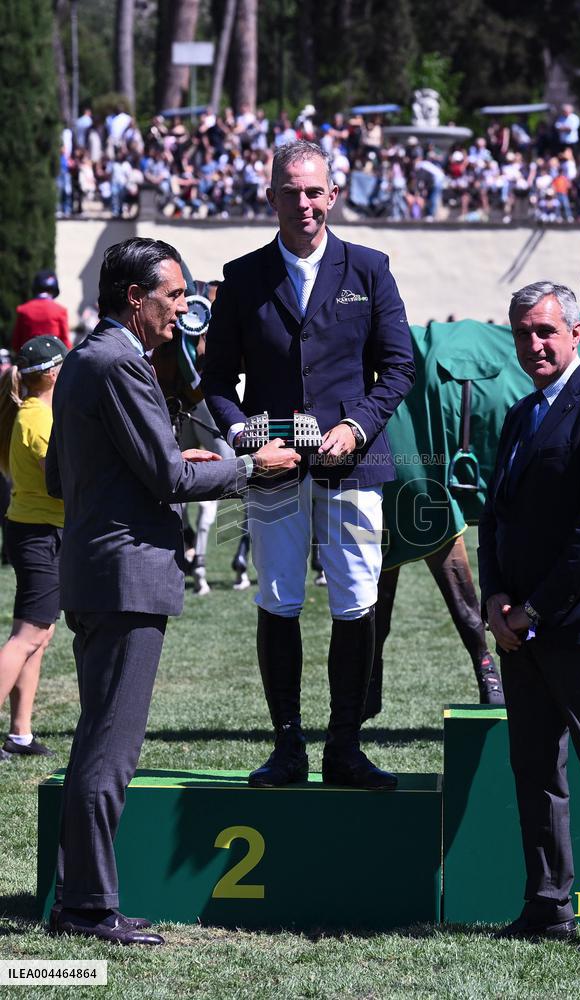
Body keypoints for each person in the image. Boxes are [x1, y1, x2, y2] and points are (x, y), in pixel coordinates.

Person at [45, 237, 299, 945]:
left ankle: (83, 897)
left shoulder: (81, 361)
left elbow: (67, 479)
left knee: (99, 742)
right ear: (136, 297)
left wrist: (166, 462)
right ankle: (90, 907)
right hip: (126, 577)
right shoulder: (121, 363)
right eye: (176, 296)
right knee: (109, 752)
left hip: (97, 570)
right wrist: (252, 465)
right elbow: (171, 481)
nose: (184, 308)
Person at [203, 140, 415, 791]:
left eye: (314, 190)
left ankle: (345, 748)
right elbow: (215, 381)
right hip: (273, 470)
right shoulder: (240, 278)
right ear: (271, 197)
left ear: (332, 194)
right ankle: (287, 747)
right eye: (290, 191)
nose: (304, 203)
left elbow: (400, 364)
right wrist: (245, 440)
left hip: (353, 465)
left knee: (356, 600)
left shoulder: (370, 268)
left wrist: (357, 426)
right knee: (279, 597)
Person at [478, 281, 580, 953]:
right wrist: (493, 600)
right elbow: (494, 517)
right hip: (519, 629)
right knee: (535, 770)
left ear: (577, 333)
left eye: (546, 331)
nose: (534, 344)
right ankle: (546, 904)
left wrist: (534, 610)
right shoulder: (521, 414)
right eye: (523, 333)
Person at [0, 337, 67, 763]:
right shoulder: (39, 418)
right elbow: (59, 480)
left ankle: (20, 733)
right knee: (27, 636)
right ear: (53, 373)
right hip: (39, 533)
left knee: (39, 634)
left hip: (36, 530)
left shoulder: (28, 412)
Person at [12, 271, 72, 352]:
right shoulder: (60, 310)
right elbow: (66, 342)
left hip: (29, 360)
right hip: (54, 361)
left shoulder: (23, 310)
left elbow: (16, 343)